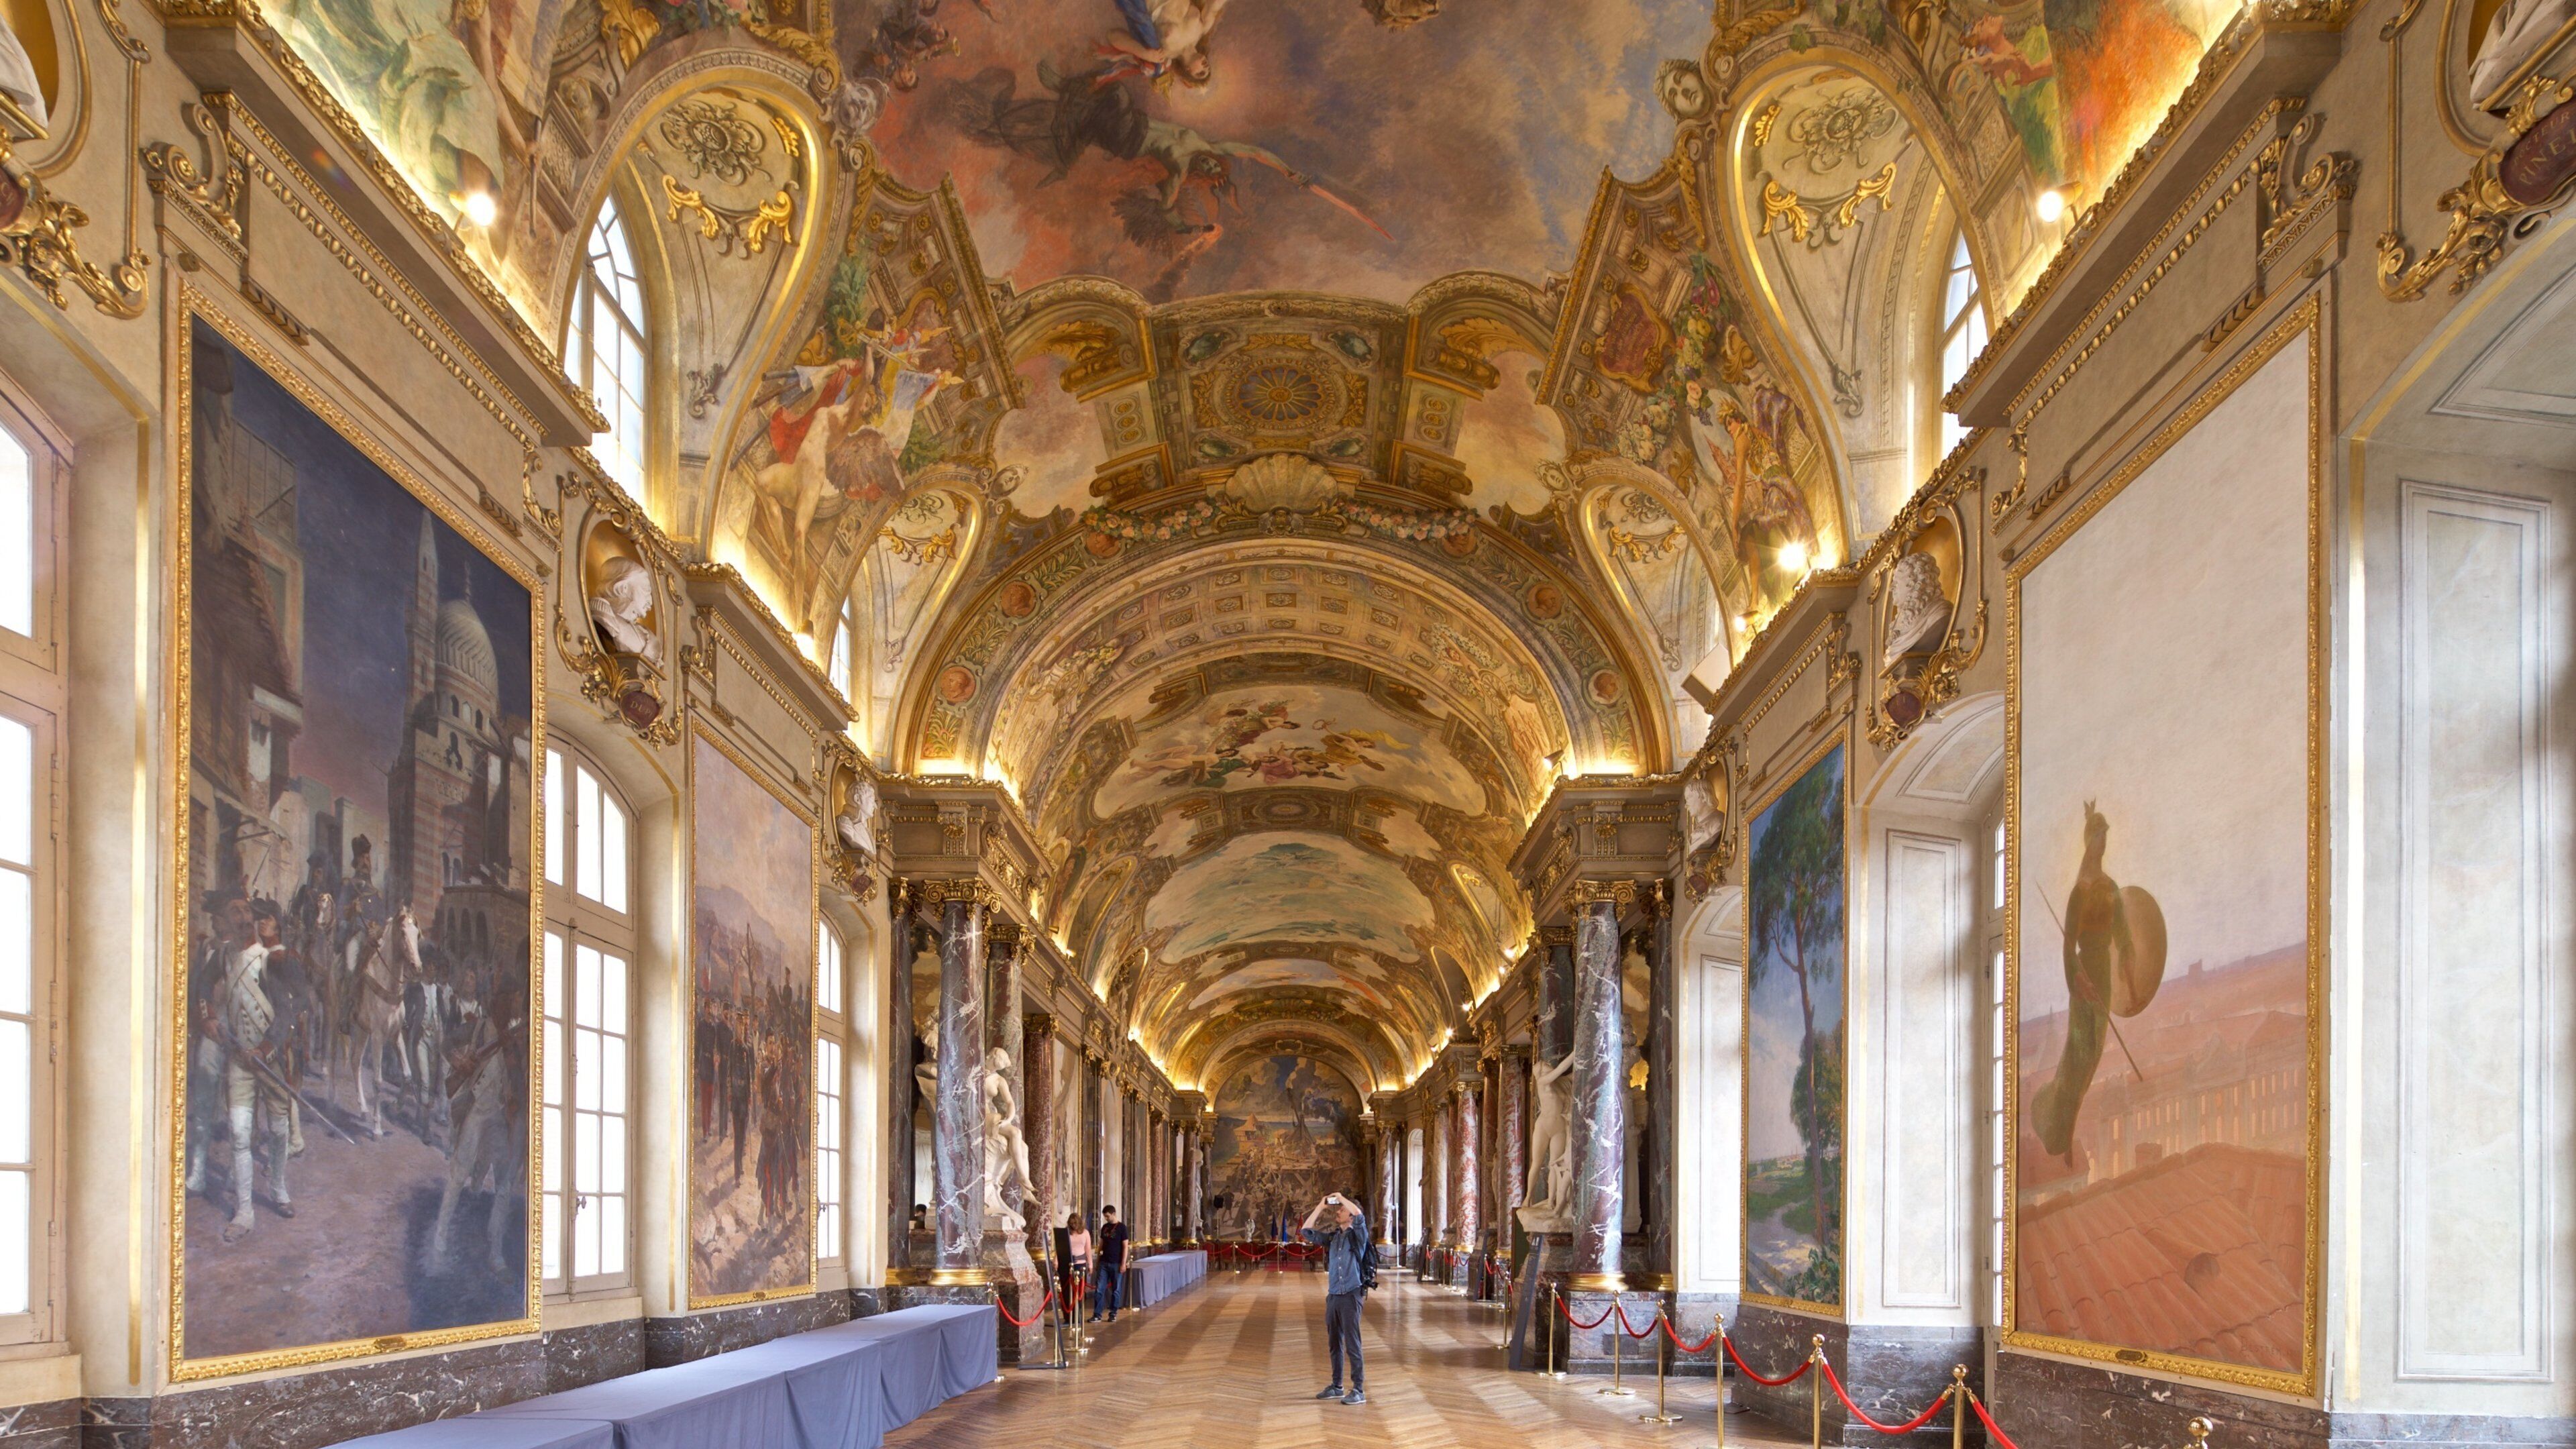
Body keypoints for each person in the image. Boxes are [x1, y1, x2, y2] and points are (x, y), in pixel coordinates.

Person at [1301, 1191, 1371, 1405]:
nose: (1338, 1211)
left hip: (1351, 1294)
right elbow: (1306, 1231)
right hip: (1333, 1296)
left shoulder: (1358, 1235)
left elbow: (1359, 1215)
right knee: (1334, 1343)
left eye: (1342, 1209)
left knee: (1352, 1343)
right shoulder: (1333, 1237)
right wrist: (1321, 1207)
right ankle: (1337, 1386)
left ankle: (1358, 1390)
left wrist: (1342, 1197)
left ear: (1349, 1214)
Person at [1090, 1204, 1128, 1322]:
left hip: (1117, 1263)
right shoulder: (1105, 1227)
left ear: (1113, 1214)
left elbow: (1125, 1246)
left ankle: (1113, 1313)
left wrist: (1123, 1263)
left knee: (1116, 1290)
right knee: (1099, 1289)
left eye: (1107, 1216)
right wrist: (1098, 1259)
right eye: (1105, 1217)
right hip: (1104, 1263)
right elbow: (1101, 1245)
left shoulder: (1122, 1228)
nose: (1106, 1218)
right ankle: (1097, 1314)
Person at [1062, 1211, 1092, 1317]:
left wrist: (1091, 1264)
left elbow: (1088, 1250)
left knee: (1078, 1291)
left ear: (1079, 1223)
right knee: (1067, 1290)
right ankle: (1069, 1316)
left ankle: (1078, 1315)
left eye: (1075, 1223)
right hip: (1068, 1264)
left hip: (1080, 1265)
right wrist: (1057, 1261)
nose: (1073, 1225)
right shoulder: (1067, 1233)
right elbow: (1061, 1249)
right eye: (1071, 1223)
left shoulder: (1085, 1233)